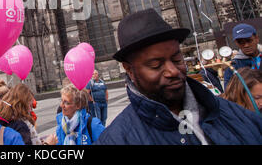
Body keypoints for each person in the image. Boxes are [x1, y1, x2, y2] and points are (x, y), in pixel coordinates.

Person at [95, 8, 262, 145]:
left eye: (177, 59)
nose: (173, 71)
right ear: (129, 69)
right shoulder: (116, 139)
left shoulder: (231, 112)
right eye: (156, 65)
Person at [224, 23, 261, 89]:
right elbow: (229, 93)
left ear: (257, 39)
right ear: (236, 43)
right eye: (241, 42)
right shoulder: (233, 67)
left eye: (249, 40)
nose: (246, 45)